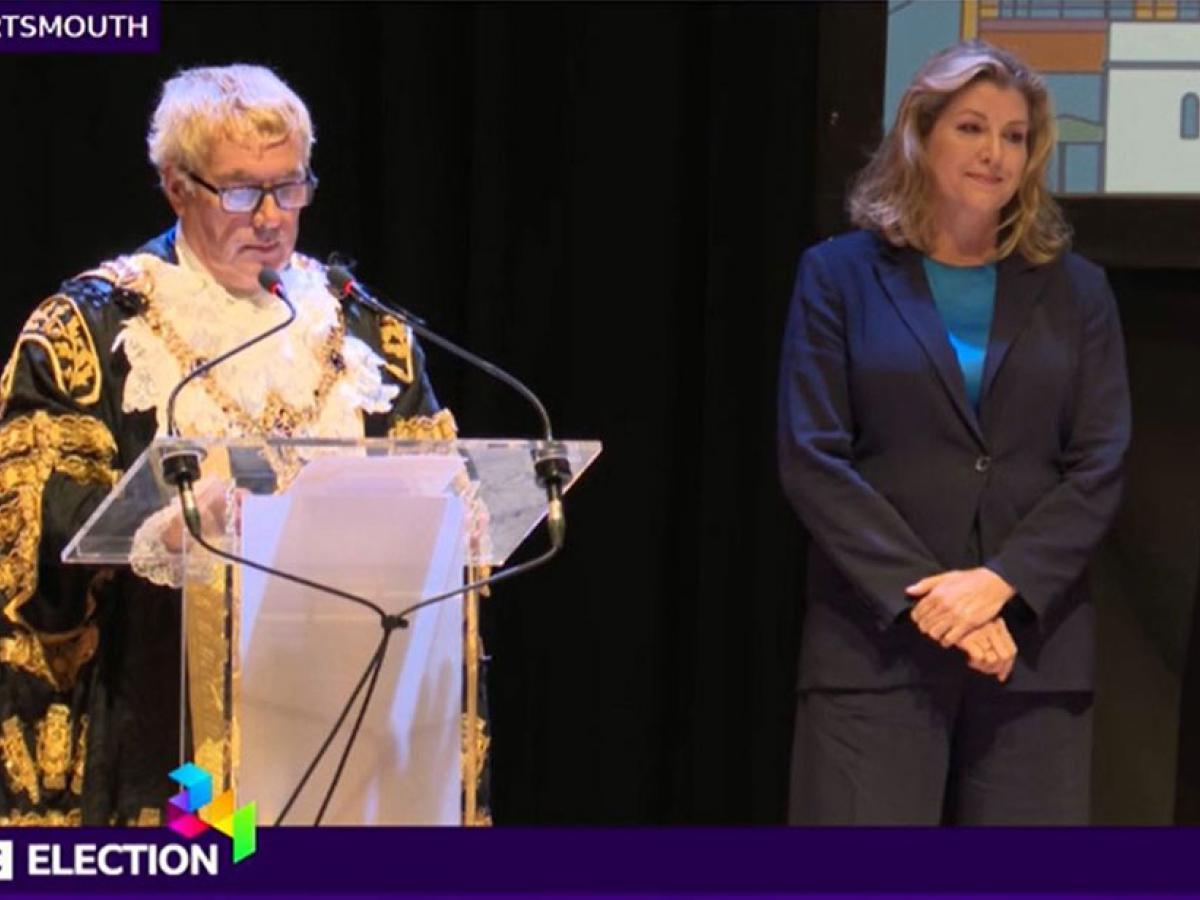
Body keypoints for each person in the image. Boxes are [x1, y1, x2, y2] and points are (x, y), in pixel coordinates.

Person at [0, 64, 456, 826]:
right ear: (177, 187)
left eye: (292, 187)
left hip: (350, 725)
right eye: (242, 191)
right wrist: (165, 525)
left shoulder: (369, 334)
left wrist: (453, 514)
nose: (273, 217)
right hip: (167, 740)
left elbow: (435, 479)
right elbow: (31, 531)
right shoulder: (91, 331)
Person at [777, 41, 1130, 825]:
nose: (995, 153)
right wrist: (934, 602)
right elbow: (813, 458)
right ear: (921, 133)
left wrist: (999, 584)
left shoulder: (1079, 292)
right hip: (873, 651)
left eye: (1014, 136)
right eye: (973, 127)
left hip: (1032, 653)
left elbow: (1099, 466)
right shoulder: (837, 276)